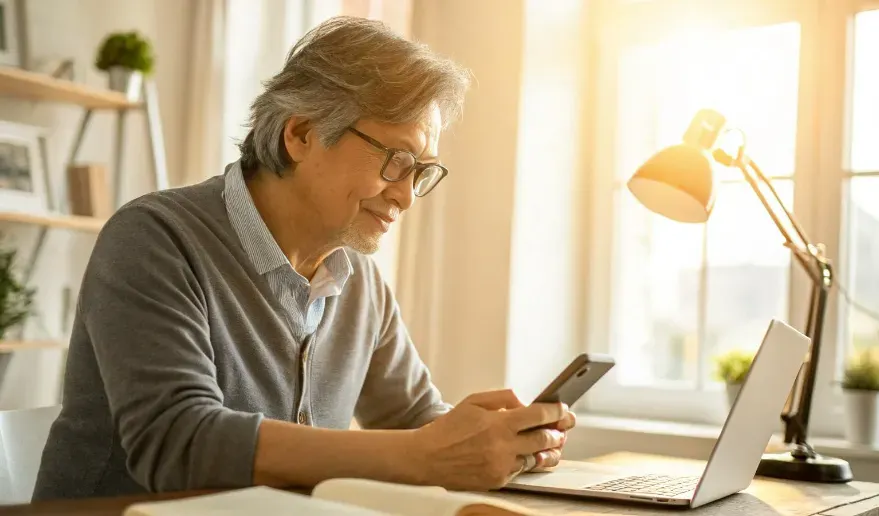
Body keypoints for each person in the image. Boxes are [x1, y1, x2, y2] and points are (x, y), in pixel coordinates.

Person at [32, 16, 575, 501]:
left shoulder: (356, 278)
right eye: (396, 160)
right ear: (301, 134)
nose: (407, 195)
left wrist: (499, 442)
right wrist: (422, 454)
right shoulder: (153, 238)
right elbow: (178, 443)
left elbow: (414, 420)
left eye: (421, 171)